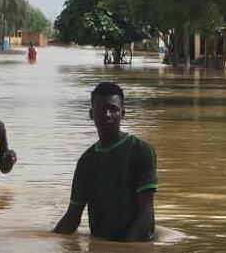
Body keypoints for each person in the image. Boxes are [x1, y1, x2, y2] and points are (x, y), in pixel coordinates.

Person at [53, 81, 158, 241]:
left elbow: (146, 212)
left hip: (136, 247)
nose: (107, 115)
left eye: (113, 109)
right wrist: (45, 243)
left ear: (123, 113)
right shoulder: (86, 161)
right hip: (101, 247)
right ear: (91, 114)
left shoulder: (141, 151)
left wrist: (123, 252)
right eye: (101, 109)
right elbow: (73, 217)